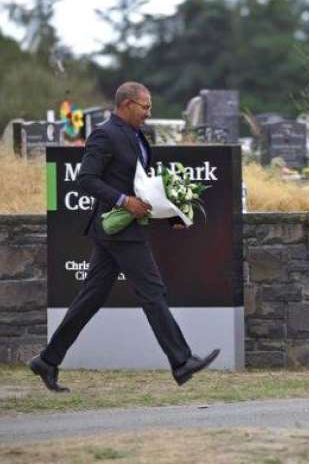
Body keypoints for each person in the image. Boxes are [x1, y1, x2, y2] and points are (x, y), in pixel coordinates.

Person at [29, 82, 220, 392]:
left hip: (121, 230)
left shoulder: (136, 135)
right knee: (152, 290)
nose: (148, 113)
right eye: (145, 107)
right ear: (127, 104)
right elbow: (86, 179)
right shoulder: (105, 134)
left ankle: (47, 361)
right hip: (118, 229)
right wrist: (123, 201)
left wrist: (173, 215)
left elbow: (147, 183)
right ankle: (182, 362)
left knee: (90, 298)